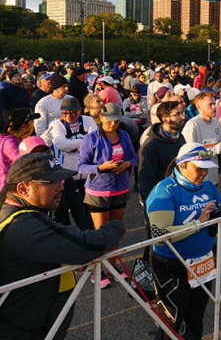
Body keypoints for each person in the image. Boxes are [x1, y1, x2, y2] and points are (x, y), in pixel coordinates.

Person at [0, 153, 124, 340]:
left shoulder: (18, 213)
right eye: (52, 182)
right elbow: (84, 246)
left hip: (35, 331)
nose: (61, 187)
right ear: (23, 188)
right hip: (23, 338)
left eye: (61, 180)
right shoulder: (21, 225)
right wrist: (114, 228)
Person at [146, 143, 221, 340]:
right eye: (198, 168)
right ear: (182, 166)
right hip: (171, 264)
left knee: (195, 317)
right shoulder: (163, 191)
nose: (203, 173)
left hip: (204, 260)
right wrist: (198, 223)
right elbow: (159, 235)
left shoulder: (208, 187)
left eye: (205, 168)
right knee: (170, 323)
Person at [78, 103, 137, 288]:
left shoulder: (124, 135)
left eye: (116, 121)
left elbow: (134, 157)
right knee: (101, 234)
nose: (113, 124)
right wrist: (100, 168)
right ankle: (98, 271)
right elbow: (81, 166)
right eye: (109, 120)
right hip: (98, 191)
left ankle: (112, 267)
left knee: (116, 231)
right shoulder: (91, 138)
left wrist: (126, 165)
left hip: (120, 188)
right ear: (101, 118)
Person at [43, 96, 97, 229]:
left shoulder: (87, 120)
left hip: (87, 173)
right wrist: (85, 142)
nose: (70, 116)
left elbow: (96, 140)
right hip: (67, 175)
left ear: (80, 111)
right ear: (61, 113)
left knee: (89, 208)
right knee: (68, 210)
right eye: (65, 113)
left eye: (74, 112)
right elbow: (62, 144)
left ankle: (90, 234)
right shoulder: (56, 124)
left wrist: (76, 144)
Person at [182, 92, 221, 187]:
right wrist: (215, 150)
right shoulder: (192, 125)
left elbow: (219, 147)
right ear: (199, 108)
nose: (214, 107)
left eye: (214, 104)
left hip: (213, 178)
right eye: (210, 105)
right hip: (197, 180)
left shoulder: (216, 122)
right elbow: (190, 156)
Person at [0, 108, 40, 189]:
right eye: (31, 123)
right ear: (24, 126)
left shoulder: (15, 139)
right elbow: (22, 162)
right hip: (8, 189)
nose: (33, 126)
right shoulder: (10, 142)